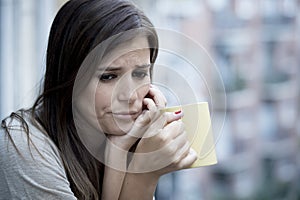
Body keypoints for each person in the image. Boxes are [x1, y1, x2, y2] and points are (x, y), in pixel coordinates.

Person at [0, 0, 197, 199]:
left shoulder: (127, 139)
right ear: (69, 76)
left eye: (139, 74)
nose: (129, 95)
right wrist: (143, 173)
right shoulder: (23, 146)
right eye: (108, 76)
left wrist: (118, 153)